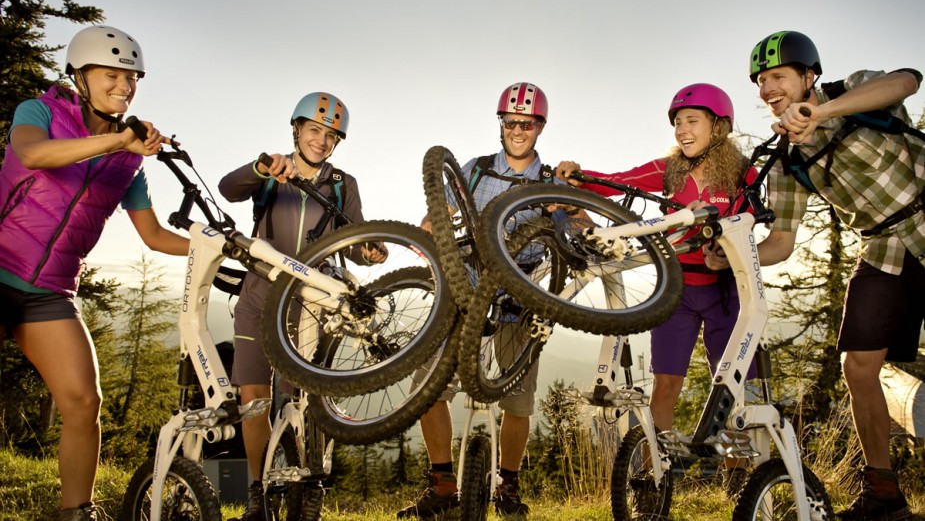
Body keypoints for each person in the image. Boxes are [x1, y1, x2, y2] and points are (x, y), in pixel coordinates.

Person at [709, 30, 922, 521]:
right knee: (858, 368)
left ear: (809, 76)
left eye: (778, 77)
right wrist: (737, 258)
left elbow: (908, 80)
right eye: (761, 82)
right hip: (883, 247)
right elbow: (782, 242)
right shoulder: (785, 161)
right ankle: (884, 496)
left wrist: (824, 112)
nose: (767, 89)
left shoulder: (857, 92)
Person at [0, 25, 188, 521]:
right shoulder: (38, 111)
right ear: (80, 77)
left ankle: (74, 513)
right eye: (112, 75)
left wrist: (220, 251)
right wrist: (115, 144)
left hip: (48, 292)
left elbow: (155, 236)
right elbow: (33, 153)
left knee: (84, 402)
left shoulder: (130, 163)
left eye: (132, 79)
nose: (124, 87)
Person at [556, 83, 757, 494]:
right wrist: (579, 176)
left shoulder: (742, 172)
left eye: (692, 121)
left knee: (736, 386)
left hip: (728, 291)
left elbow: (751, 220)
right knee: (666, 383)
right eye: (678, 122)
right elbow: (619, 181)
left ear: (719, 126)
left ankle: (737, 472)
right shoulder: (670, 168)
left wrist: (726, 249)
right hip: (679, 290)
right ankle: (653, 477)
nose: (682, 129)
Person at [218, 91, 385, 521]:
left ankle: (309, 487)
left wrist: (370, 250)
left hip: (312, 300)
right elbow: (227, 189)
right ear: (296, 129)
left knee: (304, 400)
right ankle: (258, 493)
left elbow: (352, 241)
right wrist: (260, 167)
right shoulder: (273, 171)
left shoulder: (344, 184)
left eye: (330, 135)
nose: (321, 141)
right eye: (314, 130)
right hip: (259, 291)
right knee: (253, 396)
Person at [399, 82, 561, 519]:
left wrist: (571, 219)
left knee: (518, 400)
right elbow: (438, 212)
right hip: (465, 288)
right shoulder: (474, 169)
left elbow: (572, 227)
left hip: (519, 296)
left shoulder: (550, 181)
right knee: (427, 386)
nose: (517, 130)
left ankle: (507, 483)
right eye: (510, 122)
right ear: (501, 124)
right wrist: (431, 227)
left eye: (525, 123)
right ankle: (443, 484)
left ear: (539, 127)